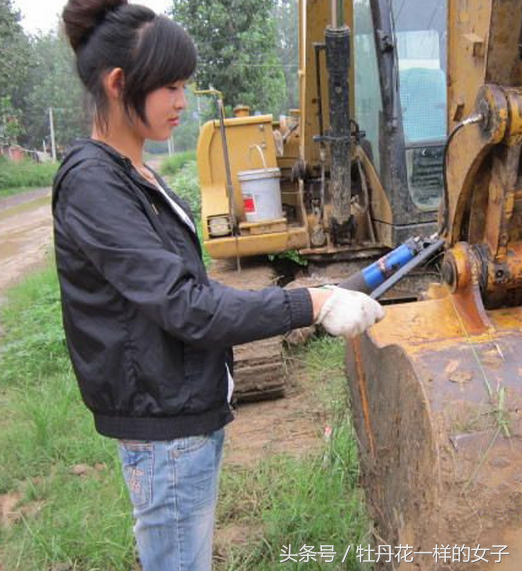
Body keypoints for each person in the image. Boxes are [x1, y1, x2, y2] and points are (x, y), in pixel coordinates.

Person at [53, 1, 385, 570]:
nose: (183, 101)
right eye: (171, 87)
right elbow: (188, 307)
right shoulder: (94, 186)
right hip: (164, 429)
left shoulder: (134, 174)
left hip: (183, 410)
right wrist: (311, 302)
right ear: (118, 84)